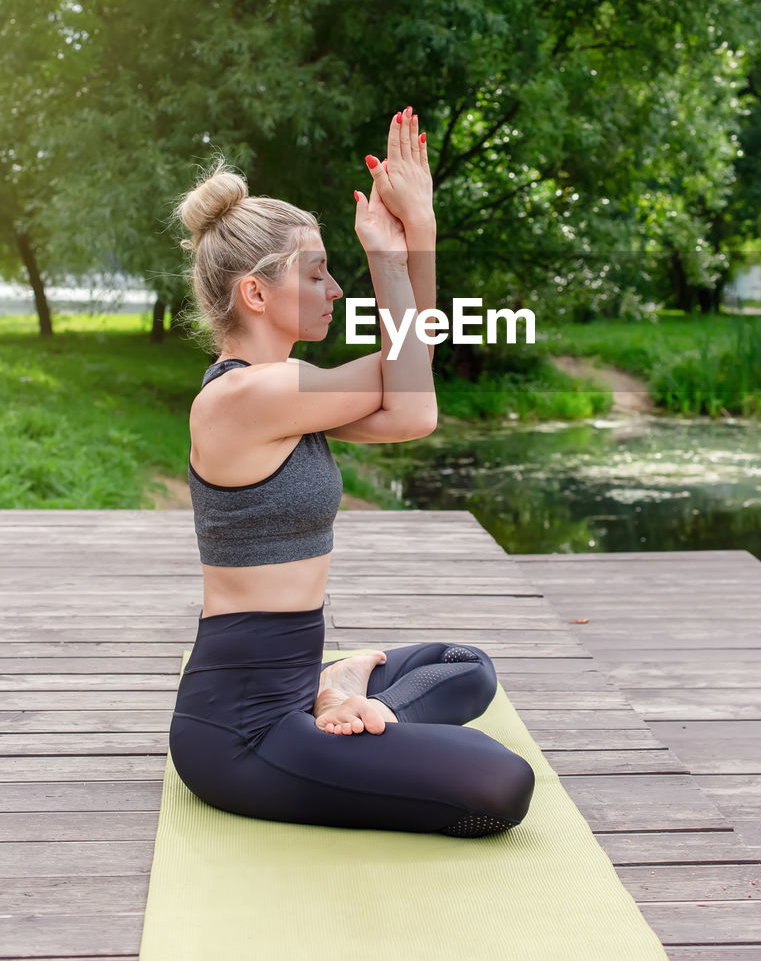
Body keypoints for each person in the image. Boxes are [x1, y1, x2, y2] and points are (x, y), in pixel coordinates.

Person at [167, 107, 535, 837]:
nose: (335, 290)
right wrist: (395, 255)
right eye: (317, 273)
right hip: (240, 734)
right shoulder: (244, 398)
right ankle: (334, 703)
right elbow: (410, 363)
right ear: (256, 293)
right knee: (498, 786)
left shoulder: (290, 392)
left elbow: (411, 411)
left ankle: (335, 693)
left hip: (291, 682)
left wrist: (415, 237)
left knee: (466, 666)